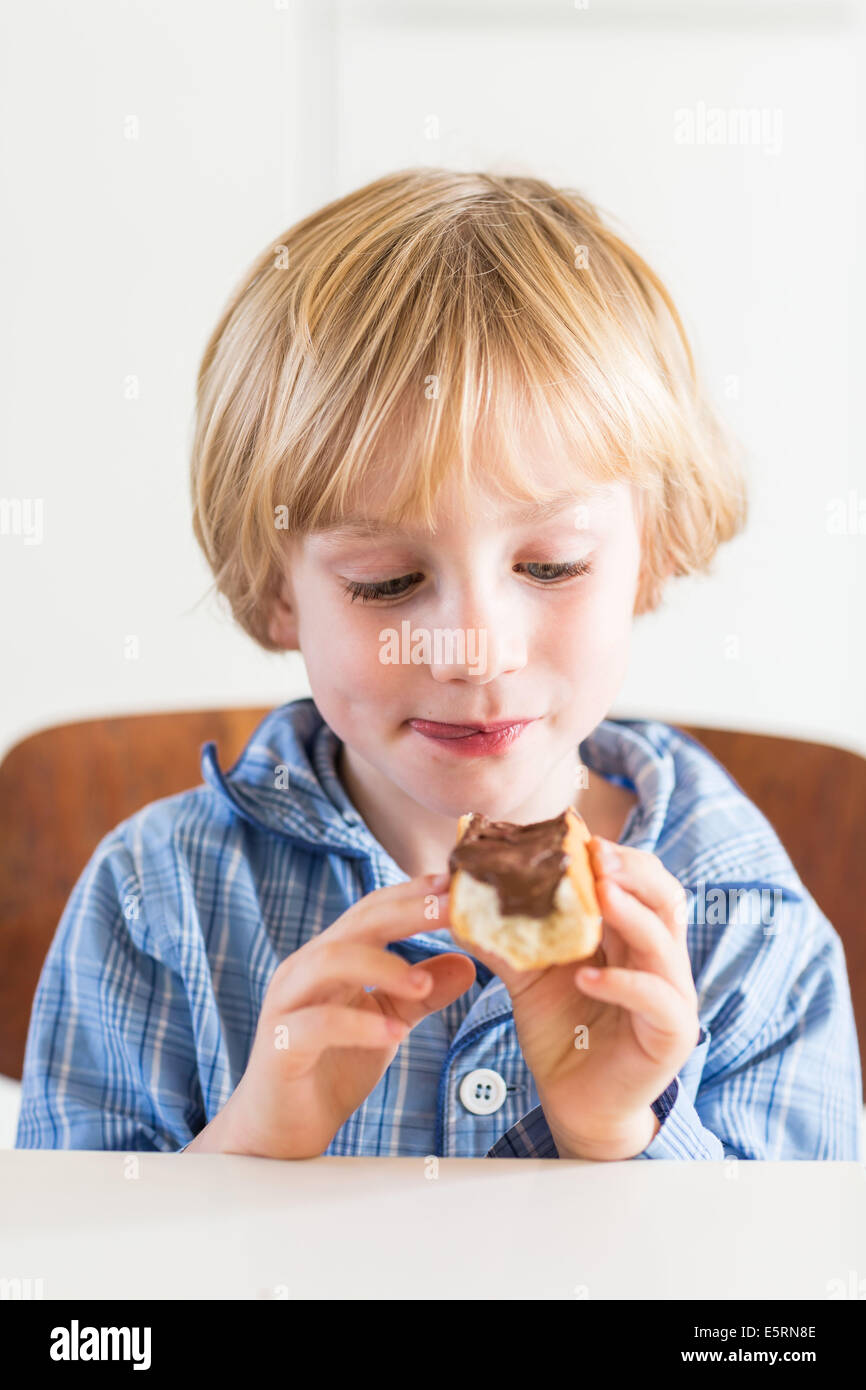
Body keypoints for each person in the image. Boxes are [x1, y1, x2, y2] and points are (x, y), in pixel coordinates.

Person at [16, 168, 862, 1160]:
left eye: (549, 564)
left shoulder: (744, 920)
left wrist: (619, 1133)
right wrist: (249, 1147)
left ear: (654, 550)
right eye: (384, 581)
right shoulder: (154, 898)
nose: (472, 649)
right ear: (281, 589)